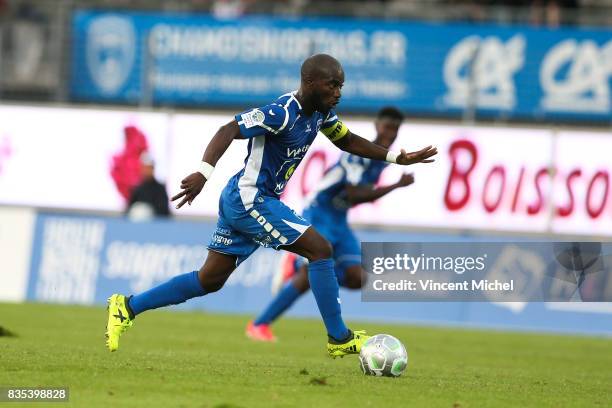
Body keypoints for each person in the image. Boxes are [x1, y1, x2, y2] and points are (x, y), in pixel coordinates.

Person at [105, 54, 437, 358]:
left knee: (209, 280)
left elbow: (347, 140)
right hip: (251, 199)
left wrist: (397, 157)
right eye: (332, 84)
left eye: (341, 86)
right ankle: (339, 338)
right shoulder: (281, 112)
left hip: (250, 199)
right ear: (309, 82)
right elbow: (229, 128)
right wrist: (203, 173)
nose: (338, 92)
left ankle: (127, 307)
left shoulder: (321, 114)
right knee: (320, 249)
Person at [246, 107, 413, 342]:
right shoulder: (357, 155)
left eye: (394, 130)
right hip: (319, 212)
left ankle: (299, 267)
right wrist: (395, 186)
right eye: (387, 128)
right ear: (377, 126)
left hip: (339, 219)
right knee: (308, 275)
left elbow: (356, 195)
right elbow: (355, 195)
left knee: (358, 278)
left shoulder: (380, 160)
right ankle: (259, 324)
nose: (390, 134)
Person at [126, 152, 171, 220]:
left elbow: (165, 212)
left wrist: (149, 213)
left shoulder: (160, 189)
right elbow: (128, 212)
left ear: (153, 169)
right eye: (145, 168)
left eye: (149, 168)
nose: (147, 171)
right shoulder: (136, 190)